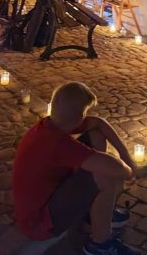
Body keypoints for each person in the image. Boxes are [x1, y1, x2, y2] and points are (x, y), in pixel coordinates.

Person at [13, 82, 139, 255]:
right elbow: (117, 169)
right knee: (104, 177)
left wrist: (126, 156)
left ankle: (96, 213)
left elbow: (99, 124)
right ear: (79, 116)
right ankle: (100, 244)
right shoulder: (58, 144)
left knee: (96, 136)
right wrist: (130, 171)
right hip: (40, 223)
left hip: (45, 202)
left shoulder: (50, 125)